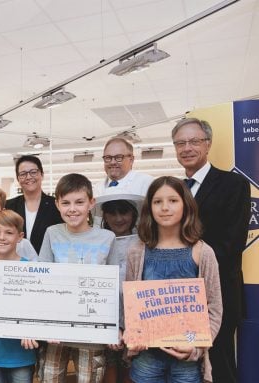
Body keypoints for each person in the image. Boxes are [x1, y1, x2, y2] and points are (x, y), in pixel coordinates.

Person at [172, 118, 251, 383]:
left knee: (219, 365)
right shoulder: (175, 190)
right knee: (184, 364)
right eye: (180, 143)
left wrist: (184, 262)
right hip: (179, 295)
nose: (187, 148)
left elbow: (231, 244)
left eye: (194, 141)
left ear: (208, 144)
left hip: (218, 294)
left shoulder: (233, 185)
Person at [123, 176, 223, 383]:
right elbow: (130, 305)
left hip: (187, 359)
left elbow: (214, 307)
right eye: (157, 201)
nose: (165, 208)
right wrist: (132, 333)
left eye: (173, 201)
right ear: (149, 208)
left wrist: (197, 346)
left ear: (186, 205)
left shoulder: (202, 253)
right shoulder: (137, 252)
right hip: (147, 358)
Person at [38, 173, 115, 383]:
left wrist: (118, 326)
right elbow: (41, 278)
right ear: (57, 204)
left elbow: (115, 287)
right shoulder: (52, 233)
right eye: (66, 203)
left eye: (79, 202)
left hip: (93, 330)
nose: (72, 209)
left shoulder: (107, 238)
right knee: (49, 378)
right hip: (56, 330)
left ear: (91, 203)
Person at [0, 210, 39, 383]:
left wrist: (31, 330)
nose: (1, 237)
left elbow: (35, 307)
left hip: (21, 350)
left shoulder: (31, 268)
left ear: (20, 237)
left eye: (9, 233)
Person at [93, 192, 143, 383]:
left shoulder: (143, 242)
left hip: (135, 318)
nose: (119, 218)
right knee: (109, 366)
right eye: (112, 213)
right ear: (104, 216)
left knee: (132, 369)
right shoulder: (98, 241)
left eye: (124, 212)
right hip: (106, 315)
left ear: (133, 214)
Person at [5, 155, 62, 254]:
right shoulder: (9, 206)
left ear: (42, 175)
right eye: (23, 174)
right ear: (18, 178)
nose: (28, 177)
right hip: (16, 265)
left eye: (33, 172)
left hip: (48, 264)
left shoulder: (56, 206)